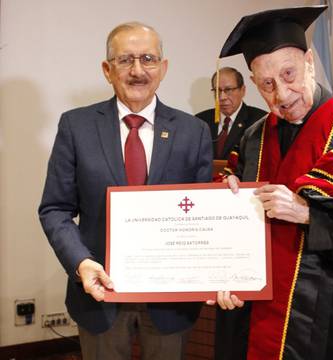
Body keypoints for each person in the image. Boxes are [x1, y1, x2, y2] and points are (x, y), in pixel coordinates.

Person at [207, 6, 333, 360]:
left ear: (310, 61)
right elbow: (236, 230)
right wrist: (225, 276)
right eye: (267, 84)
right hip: (259, 315)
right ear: (253, 83)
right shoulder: (253, 139)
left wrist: (307, 213)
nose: (283, 95)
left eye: (289, 74)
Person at [38, 22, 212, 360]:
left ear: (163, 68)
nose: (137, 71)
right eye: (125, 60)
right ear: (107, 69)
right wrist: (80, 263)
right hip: (99, 296)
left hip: (170, 302)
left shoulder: (194, 131)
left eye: (147, 59)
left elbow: (203, 212)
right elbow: (55, 209)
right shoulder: (76, 127)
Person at [196, 67, 266, 160]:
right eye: (217, 91)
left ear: (243, 90)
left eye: (228, 90)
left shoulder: (260, 121)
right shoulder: (200, 121)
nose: (222, 97)